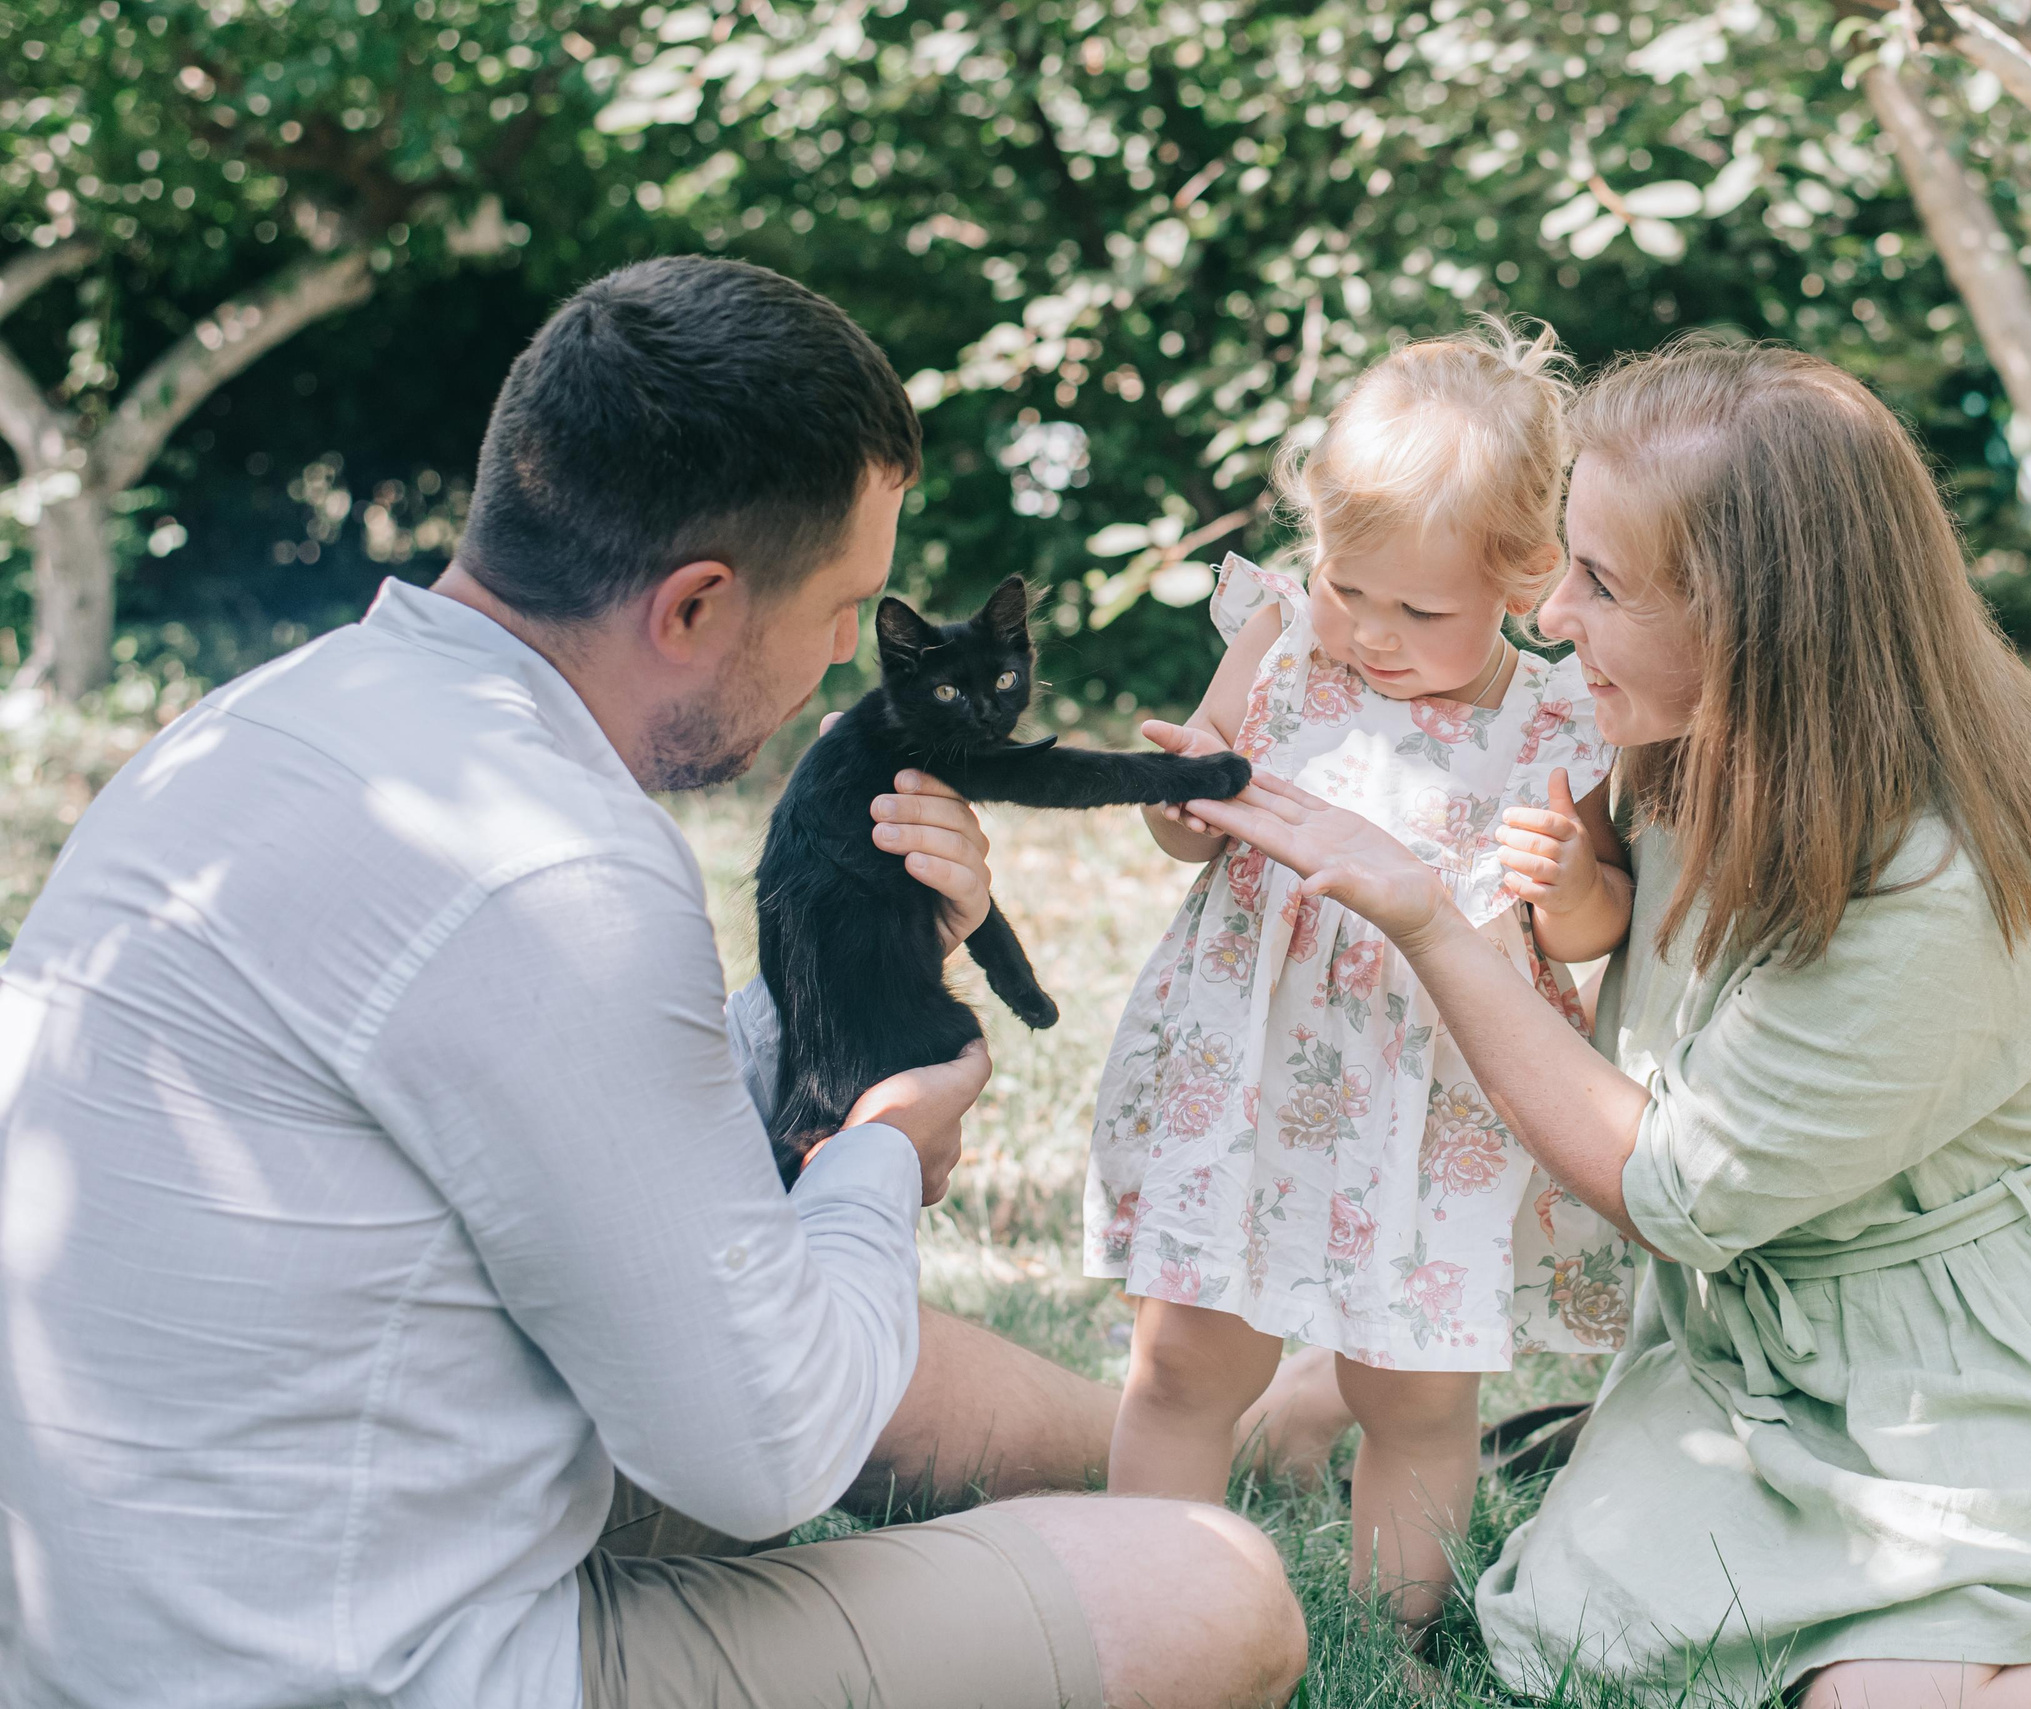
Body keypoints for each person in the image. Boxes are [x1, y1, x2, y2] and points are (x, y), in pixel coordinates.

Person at [1177, 336, 2031, 1707]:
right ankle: (1524, 1443)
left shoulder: (1930, 879)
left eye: (1599, 581)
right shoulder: (1682, 727)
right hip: (1771, 1353)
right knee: (1574, 1610)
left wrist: (1427, 923)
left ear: (1749, 620)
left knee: (1883, 1695)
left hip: (1988, 1376)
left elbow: (1673, 1187)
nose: (1551, 617)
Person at [0, 256, 1304, 1709]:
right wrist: (881, 1148)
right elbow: (769, 1455)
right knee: (1212, 1588)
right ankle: (1211, 1478)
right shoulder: (550, 866)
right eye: (839, 613)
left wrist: (865, 975)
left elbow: (658, 1202)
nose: (841, 669)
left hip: (145, 1587)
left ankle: (1241, 1426)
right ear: (691, 608)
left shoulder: (262, 726)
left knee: (798, 1309)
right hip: (349, 1664)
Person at [1090, 323, 1636, 1639]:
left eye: (1420, 610)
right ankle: (1141, 1605)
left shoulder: (1555, 720)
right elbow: (1189, 811)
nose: (1374, 635)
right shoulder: (1279, 642)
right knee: (1186, 1358)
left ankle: (1390, 1634)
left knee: (1416, 1390)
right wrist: (1184, 791)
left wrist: (1562, 882)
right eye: (1351, 590)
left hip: (1434, 1099)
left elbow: (1591, 927)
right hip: (1257, 1076)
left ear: (1522, 577)